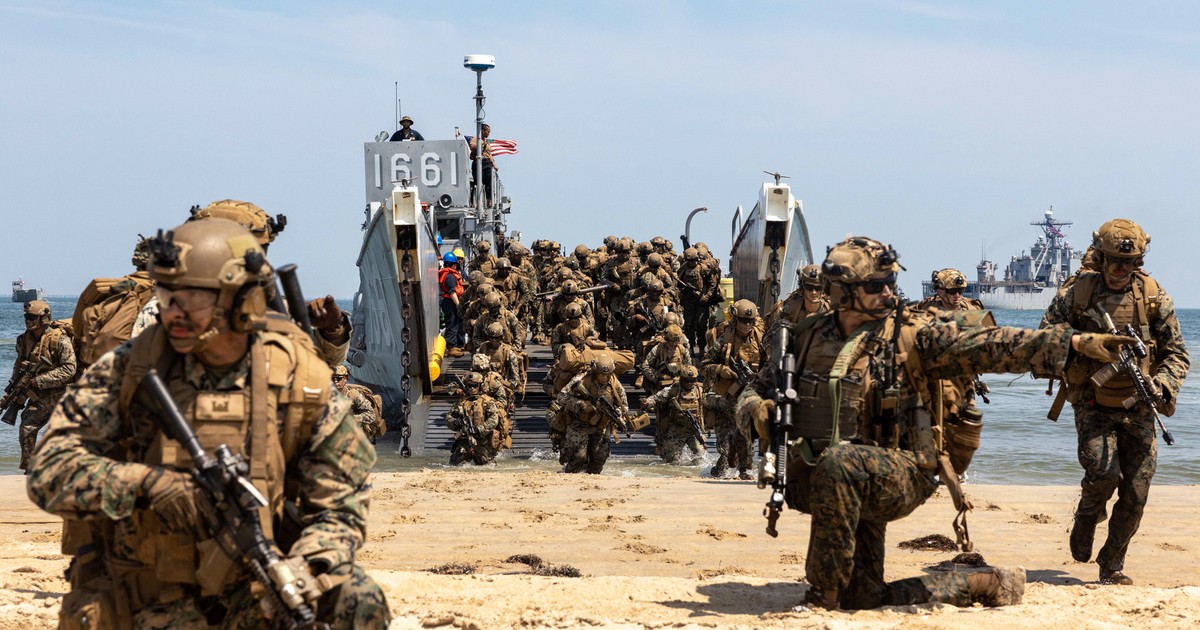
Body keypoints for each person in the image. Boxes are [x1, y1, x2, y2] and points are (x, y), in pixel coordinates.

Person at [735, 235, 1135, 611]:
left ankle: (821, 596)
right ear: (843, 292)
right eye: (876, 285)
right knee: (864, 596)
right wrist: (757, 412)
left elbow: (992, 345)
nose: (889, 292)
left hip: (901, 473)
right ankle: (984, 584)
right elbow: (753, 391)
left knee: (841, 467)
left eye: (890, 281)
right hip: (824, 477)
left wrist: (1074, 344)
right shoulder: (807, 338)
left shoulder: (911, 335)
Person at [27, 218, 389, 628]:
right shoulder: (130, 369)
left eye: (191, 299)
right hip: (148, 589)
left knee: (357, 599)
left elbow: (341, 503)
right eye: (166, 296)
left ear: (240, 300)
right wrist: (151, 486)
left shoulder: (297, 377)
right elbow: (49, 469)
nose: (173, 313)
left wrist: (306, 567)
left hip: (255, 586)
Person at [1039, 218, 1189, 586]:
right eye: (1115, 262)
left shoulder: (1153, 297)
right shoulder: (1077, 295)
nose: (1122, 269)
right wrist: (1083, 346)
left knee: (1136, 491)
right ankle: (1088, 514)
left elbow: (1177, 354)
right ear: (1102, 258)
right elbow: (1043, 341)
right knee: (1103, 474)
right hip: (1092, 401)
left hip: (1139, 404)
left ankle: (1112, 565)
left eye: (1130, 262)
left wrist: (1162, 384)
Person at [7, 300, 77, 472]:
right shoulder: (24, 340)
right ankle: (30, 468)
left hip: (62, 393)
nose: (27, 320)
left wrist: (39, 381)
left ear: (43, 319)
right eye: (26, 316)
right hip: (39, 394)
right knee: (27, 425)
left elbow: (70, 369)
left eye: (31, 317)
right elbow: (19, 364)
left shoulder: (60, 339)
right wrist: (15, 386)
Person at [702, 299, 764, 480]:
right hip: (727, 394)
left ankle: (745, 470)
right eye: (743, 321)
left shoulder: (760, 339)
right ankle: (721, 470)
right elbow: (704, 365)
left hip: (750, 393)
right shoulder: (724, 340)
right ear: (735, 319)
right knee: (725, 444)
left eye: (750, 321)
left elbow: (770, 363)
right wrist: (721, 369)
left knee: (746, 434)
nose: (747, 325)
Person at [555, 355, 629, 474]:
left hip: (601, 426)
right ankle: (569, 476)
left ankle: (593, 482)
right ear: (595, 372)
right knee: (578, 456)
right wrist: (581, 405)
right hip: (579, 424)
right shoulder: (582, 379)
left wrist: (616, 415)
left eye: (608, 375)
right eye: (602, 374)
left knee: (600, 457)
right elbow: (562, 397)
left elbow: (624, 405)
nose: (605, 378)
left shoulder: (614, 383)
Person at [642, 364, 707, 465]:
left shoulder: (700, 391)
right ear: (681, 379)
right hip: (676, 430)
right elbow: (656, 397)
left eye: (692, 381)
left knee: (700, 458)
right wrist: (647, 402)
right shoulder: (673, 389)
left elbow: (709, 402)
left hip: (694, 431)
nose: (690, 383)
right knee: (672, 461)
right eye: (687, 381)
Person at [446, 371, 506, 465]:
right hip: (465, 441)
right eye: (469, 386)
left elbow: (494, 419)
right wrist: (455, 422)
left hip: (483, 441)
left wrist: (479, 430)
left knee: (488, 466)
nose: (472, 388)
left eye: (475, 385)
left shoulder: (487, 401)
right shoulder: (461, 402)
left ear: (480, 385)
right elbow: (449, 417)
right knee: (454, 465)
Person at [332, 365, 386, 444]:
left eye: (338, 378)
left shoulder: (353, 395)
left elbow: (371, 415)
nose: (335, 381)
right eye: (333, 379)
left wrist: (353, 418)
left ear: (345, 379)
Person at [766, 264, 830, 330]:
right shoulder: (791, 309)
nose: (814, 292)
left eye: (818, 288)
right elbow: (773, 334)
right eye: (809, 287)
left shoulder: (830, 310)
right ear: (802, 288)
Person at [440, 252, 466, 357]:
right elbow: (452, 292)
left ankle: (455, 346)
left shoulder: (448, 274)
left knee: (455, 323)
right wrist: (458, 304)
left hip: (449, 301)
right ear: (453, 265)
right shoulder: (450, 276)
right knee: (452, 324)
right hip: (450, 302)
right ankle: (451, 347)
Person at [468, 123, 497, 206]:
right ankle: (476, 201)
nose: (489, 133)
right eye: (488, 131)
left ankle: (489, 200)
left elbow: (489, 153)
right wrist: (481, 144)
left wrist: (494, 164)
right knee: (478, 182)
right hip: (478, 161)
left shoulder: (487, 142)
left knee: (488, 182)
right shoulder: (476, 139)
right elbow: (472, 147)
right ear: (483, 131)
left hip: (487, 162)